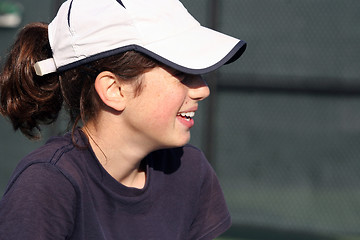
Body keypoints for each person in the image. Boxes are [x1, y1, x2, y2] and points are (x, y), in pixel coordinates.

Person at [0, 0, 246, 239]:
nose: (202, 90)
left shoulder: (189, 169)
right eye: (182, 73)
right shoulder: (48, 184)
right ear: (114, 90)